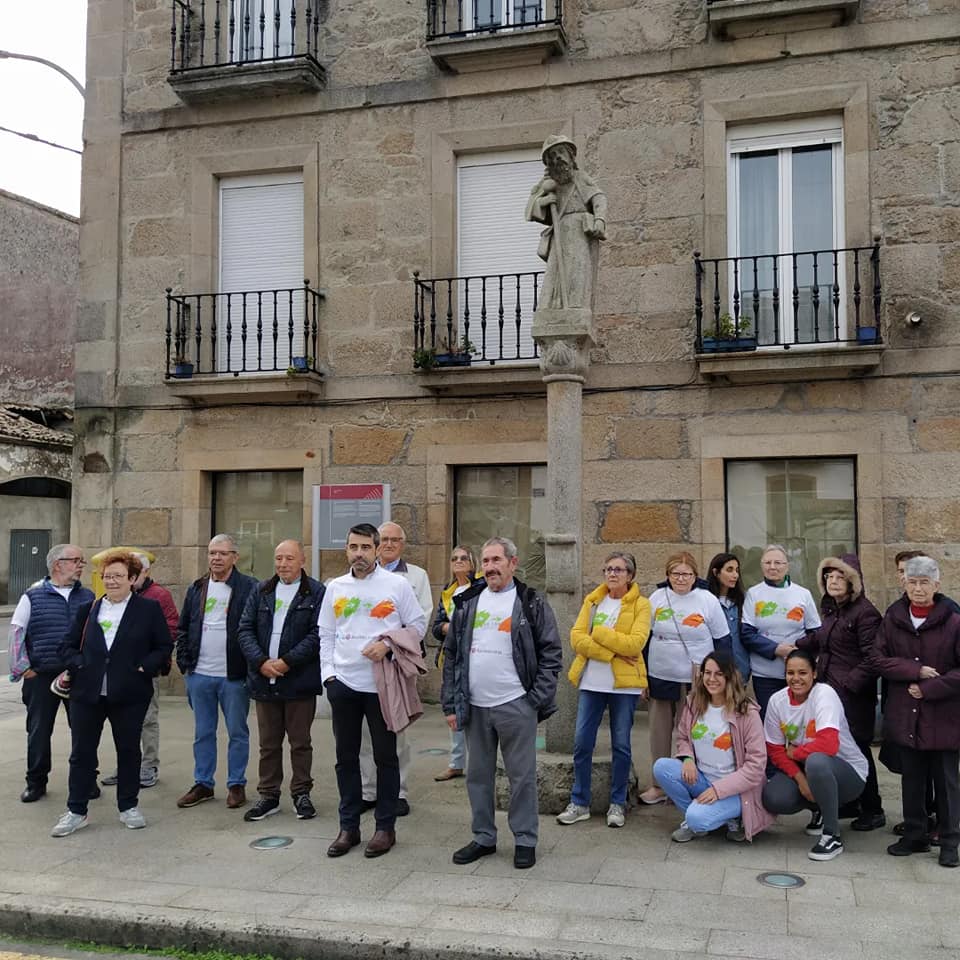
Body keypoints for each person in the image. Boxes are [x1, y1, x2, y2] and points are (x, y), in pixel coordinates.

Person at [443, 537, 562, 870]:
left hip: (515, 705)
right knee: (477, 776)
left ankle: (525, 839)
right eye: (486, 561)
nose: (491, 567)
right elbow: (451, 653)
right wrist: (451, 704)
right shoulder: (467, 601)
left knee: (521, 777)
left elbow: (552, 653)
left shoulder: (530, 601)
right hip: (475, 707)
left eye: (497, 560)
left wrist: (535, 700)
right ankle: (483, 837)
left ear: (513, 562)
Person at [318, 523, 426, 859]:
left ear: (377, 549)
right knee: (345, 758)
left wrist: (389, 646)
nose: (359, 554)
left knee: (385, 757)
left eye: (366, 547)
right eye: (353, 547)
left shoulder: (396, 585)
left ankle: (385, 828)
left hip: (382, 685)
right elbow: (326, 635)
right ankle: (348, 826)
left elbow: (418, 625)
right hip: (344, 684)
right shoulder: (335, 588)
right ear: (346, 550)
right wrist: (329, 676)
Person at [50, 550, 173, 837]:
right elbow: (66, 646)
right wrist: (79, 664)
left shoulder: (147, 610)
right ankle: (76, 810)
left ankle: (128, 805)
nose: (112, 581)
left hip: (129, 693)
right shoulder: (89, 610)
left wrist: (144, 667)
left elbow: (163, 646)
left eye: (118, 576)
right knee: (81, 752)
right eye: (107, 576)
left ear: (132, 579)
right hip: (87, 693)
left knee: (128, 750)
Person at [873, 556, 960, 868]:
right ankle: (915, 835)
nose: (919, 588)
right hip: (906, 714)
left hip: (943, 717)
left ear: (936, 585)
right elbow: (878, 658)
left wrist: (928, 688)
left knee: (947, 784)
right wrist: (916, 670)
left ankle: (950, 841)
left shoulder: (953, 621)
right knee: (912, 781)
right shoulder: (894, 617)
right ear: (905, 584)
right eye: (913, 582)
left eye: (925, 582)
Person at [556, 552, 650, 828]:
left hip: (624, 687)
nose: (613, 574)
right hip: (592, 682)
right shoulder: (594, 600)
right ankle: (580, 801)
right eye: (609, 568)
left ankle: (617, 803)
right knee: (582, 742)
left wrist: (598, 634)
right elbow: (576, 638)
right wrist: (611, 652)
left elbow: (635, 644)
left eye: (619, 570)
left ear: (630, 576)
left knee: (621, 744)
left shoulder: (642, 605)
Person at [237, 539, 324, 823]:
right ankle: (268, 795)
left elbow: (317, 634)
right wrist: (261, 662)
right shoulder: (261, 590)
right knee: (268, 743)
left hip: (298, 679)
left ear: (302, 560)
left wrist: (287, 661)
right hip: (264, 679)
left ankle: (301, 793)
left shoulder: (316, 591)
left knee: (300, 742)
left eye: (289, 558)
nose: (283, 564)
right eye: (278, 558)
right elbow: (245, 629)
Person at [798, 555, 885, 831]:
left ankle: (873, 808)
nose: (833, 582)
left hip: (852, 696)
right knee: (837, 748)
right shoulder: (833, 610)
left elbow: (873, 658)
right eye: (829, 577)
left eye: (839, 577)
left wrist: (848, 684)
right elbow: (823, 640)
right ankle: (850, 802)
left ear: (853, 583)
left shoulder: (865, 613)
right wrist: (794, 647)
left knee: (857, 748)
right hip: (831, 691)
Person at [639, 552, 731, 805]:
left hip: (697, 677)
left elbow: (722, 640)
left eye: (686, 574)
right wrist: (642, 677)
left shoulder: (707, 600)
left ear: (695, 575)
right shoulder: (657, 598)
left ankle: (690, 782)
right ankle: (658, 785)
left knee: (692, 731)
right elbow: (643, 640)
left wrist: (723, 676)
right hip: (660, 672)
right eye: (675, 574)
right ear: (668, 575)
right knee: (658, 731)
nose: (681, 579)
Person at [653, 652, 773, 843]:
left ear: (729, 676)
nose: (711, 679)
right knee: (662, 767)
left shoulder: (747, 711)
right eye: (707, 673)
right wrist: (688, 759)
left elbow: (756, 767)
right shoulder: (694, 703)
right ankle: (702, 817)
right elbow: (683, 737)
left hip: (736, 790)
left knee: (696, 818)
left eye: (718, 674)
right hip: (702, 780)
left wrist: (718, 790)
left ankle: (729, 817)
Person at [175, 534, 257, 810]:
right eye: (212, 553)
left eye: (222, 553)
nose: (216, 558)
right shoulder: (197, 588)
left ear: (235, 557)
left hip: (233, 676)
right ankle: (203, 783)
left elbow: (256, 629)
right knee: (203, 732)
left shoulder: (249, 587)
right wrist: (185, 662)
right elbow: (184, 627)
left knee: (237, 731)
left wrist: (250, 667)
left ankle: (236, 783)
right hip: (200, 674)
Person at [357, 520, 433, 817]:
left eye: (395, 540)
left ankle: (398, 791)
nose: (389, 544)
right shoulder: (360, 575)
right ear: (376, 544)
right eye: (384, 539)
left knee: (396, 729)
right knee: (364, 732)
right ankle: (368, 790)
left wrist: (390, 643)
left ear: (403, 544)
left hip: (396, 662)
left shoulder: (416, 576)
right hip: (364, 663)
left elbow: (421, 619)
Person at [762, 649, 867, 861]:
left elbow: (828, 745)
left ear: (814, 674)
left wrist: (796, 753)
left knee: (817, 761)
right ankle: (820, 809)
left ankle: (832, 835)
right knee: (773, 797)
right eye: (790, 673)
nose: (796, 678)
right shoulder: (777, 701)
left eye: (802, 673)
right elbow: (774, 749)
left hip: (848, 772)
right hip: (808, 768)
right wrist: (801, 781)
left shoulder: (824, 694)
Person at [8, 544, 93, 803]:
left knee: (84, 730)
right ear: (58, 564)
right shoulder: (32, 596)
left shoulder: (87, 596)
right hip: (42, 676)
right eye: (76, 560)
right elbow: (16, 634)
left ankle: (87, 780)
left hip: (78, 674)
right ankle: (36, 782)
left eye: (82, 561)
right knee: (39, 730)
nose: (81, 565)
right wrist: (25, 669)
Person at [99, 551, 178, 790]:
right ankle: (125, 767)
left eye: (136, 573)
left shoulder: (158, 596)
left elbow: (170, 630)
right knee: (120, 723)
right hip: (115, 675)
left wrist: (147, 664)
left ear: (143, 573)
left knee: (147, 719)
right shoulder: (108, 601)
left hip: (143, 674)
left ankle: (148, 765)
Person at [525, 135, 607, 312]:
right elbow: (530, 209)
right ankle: (552, 308)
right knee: (555, 272)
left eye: (561, 152)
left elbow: (599, 197)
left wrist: (599, 220)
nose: (558, 158)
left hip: (578, 231)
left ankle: (576, 307)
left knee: (578, 269)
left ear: (570, 155)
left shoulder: (580, 177)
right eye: (553, 156)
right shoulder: (548, 184)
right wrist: (545, 201)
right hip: (560, 231)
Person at [741, 544, 821, 717]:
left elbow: (815, 633)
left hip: (798, 672)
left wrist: (796, 649)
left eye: (778, 562)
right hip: (765, 673)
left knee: (799, 719)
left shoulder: (803, 594)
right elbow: (747, 634)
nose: (772, 567)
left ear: (787, 566)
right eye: (767, 562)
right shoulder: (753, 594)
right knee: (770, 721)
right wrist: (777, 650)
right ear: (761, 565)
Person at [431, 545, 481, 782]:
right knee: (452, 710)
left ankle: (479, 763)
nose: (459, 561)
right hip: (451, 657)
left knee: (475, 712)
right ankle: (456, 763)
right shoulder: (448, 591)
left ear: (473, 563)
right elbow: (436, 626)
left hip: (475, 657)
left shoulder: (480, 588)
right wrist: (446, 628)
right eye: (454, 558)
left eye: (464, 558)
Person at [707, 552, 749, 682]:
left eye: (737, 570)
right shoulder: (706, 600)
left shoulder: (743, 600)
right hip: (714, 671)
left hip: (740, 670)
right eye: (729, 570)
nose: (735, 575)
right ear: (716, 572)